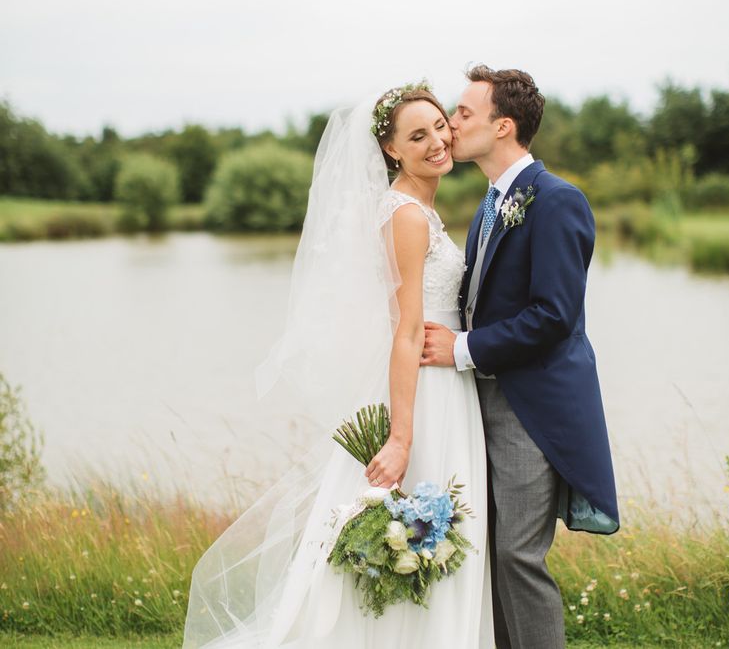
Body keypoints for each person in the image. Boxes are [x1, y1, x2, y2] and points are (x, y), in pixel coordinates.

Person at [182, 84, 493, 648]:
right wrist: (401, 437)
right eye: (416, 136)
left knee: (433, 531)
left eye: (439, 127)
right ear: (392, 150)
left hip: (444, 380)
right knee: (422, 522)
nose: (437, 142)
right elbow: (404, 330)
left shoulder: (416, 204)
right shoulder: (407, 215)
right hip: (425, 392)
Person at [422, 65, 620, 649]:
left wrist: (461, 347)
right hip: (478, 398)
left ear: (502, 126)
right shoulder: (490, 203)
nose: (450, 125)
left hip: (530, 407)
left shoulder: (558, 201)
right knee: (486, 547)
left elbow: (554, 315)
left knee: (518, 554)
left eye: (462, 114)